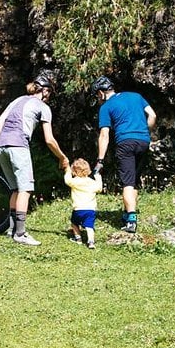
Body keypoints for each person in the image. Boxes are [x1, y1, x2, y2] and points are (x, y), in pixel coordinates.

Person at [0, 73, 69, 245]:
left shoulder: (17, 100)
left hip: (1, 145)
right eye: (49, 92)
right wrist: (62, 157)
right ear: (44, 91)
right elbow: (49, 140)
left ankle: (11, 230)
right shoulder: (43, 107)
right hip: (18, 145)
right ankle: (20, 234)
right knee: (25, 189)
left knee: (15, 188)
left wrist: (6, 140)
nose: (49, 96)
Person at [91, 75, 156, 233]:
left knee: (127, 182)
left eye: (97, 96)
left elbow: (104, 135)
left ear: (101, 92)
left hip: (125, 143)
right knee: (134, 180)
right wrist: (145, 131)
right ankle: (127, 213)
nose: (98, 99)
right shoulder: (136, 96)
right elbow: (153, 115)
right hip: (143, 141)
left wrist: (100, 159)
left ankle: (131, 220)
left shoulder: (106, 107)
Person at [64, 158, 102, 249]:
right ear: (88, 170)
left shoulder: (75, 182)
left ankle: (78, 238)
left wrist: (67, 170)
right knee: (89, 226)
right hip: (90, 209)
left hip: (78, 209)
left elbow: (67, 180)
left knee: (74, 223)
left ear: (74, 171)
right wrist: (98, 177)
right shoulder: (92, 182)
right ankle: (91, 241)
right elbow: (99, 188)